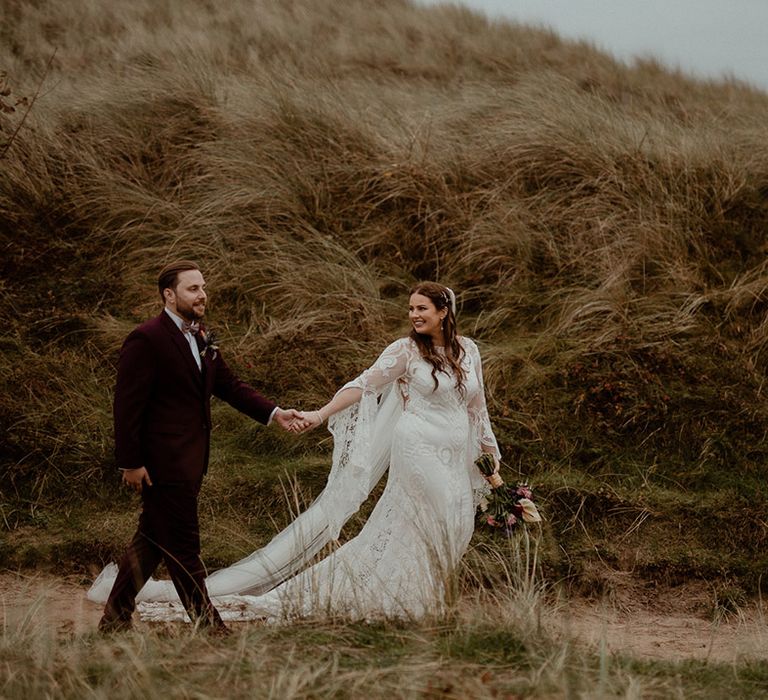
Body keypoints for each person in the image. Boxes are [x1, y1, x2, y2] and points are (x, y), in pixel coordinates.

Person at [90, 281, 500, 623]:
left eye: (422, 308)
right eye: (410, 308)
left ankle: (424, 598)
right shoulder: (405, 352)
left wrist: (491, 466)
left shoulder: (470, 350)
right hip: (419, 447)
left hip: (455, 450)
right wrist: (321, 414)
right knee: (437, 515)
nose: (413, 315)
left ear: (444, 311)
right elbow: (364, 384)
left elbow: (476, 408)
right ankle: (198, 617)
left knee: (456, 519)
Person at [96, 260, 304, 634]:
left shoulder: (201, 336)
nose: (202, 294)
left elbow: (229, 385)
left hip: (190, 459)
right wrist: (130, 462)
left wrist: (274, 413)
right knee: (185, 547)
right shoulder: (147, 339)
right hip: (162, 462)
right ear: (169, 294)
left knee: (151, 541)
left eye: (203, 287)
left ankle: (113, 620)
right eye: (193, 288)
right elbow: (127, 406)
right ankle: (211, 629)